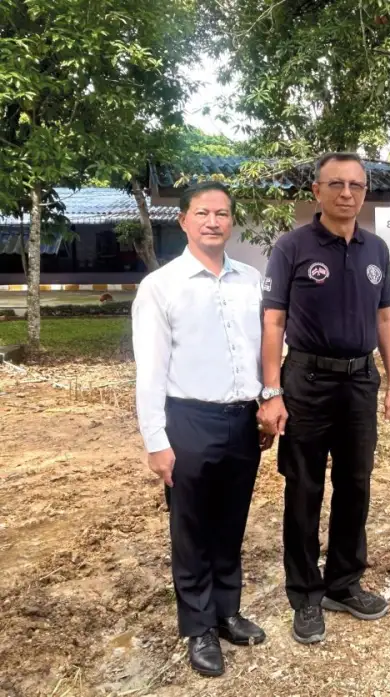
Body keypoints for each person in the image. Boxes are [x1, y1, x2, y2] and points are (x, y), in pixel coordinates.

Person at [257, 151, 390, 645]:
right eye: (336, 184)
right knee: (304, 488)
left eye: (356, 185)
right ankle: (305, 594)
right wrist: (272, 391)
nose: (346, 193)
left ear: (365, 193)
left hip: (360, 381)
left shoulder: (376, 249)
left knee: (355, 484)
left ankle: (344, 583)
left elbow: (385, 318)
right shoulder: (292, 247)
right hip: (306, 381)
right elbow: (274, 322)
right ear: (316, 191)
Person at [132, 181, 271, 677]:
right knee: (191, 528)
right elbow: (150, 369)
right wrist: (156, 441)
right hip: (188, 419)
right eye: (202, 213)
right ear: (184, 221)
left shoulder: (250, 281)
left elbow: (264, 348)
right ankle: (198, 627)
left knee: (231, 522)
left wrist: (266, 401)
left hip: (243, 418)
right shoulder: (161, 286)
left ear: (231, 221)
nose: (213, 222)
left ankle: (227, 611)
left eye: (222, 213)